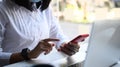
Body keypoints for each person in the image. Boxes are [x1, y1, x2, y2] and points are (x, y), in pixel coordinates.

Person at [0, 0, 80, 66]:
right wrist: (27, 55)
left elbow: (57, 34)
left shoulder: (44, 9)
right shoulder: (2, 9)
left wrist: (66, 46)